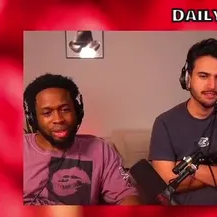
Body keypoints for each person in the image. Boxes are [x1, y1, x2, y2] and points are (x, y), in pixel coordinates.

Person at [147, 38, 217, 205]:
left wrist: (188, 168)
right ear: (187, 78)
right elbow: (168, 181)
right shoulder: (164, 122)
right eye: (203, 76)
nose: (212, 86)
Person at [22, 73, 140, 205]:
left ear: (78, 112)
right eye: (47, 113)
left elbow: (126, 196)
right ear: (33, 119)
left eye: (65, 109)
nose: (58, 119)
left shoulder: (100, 149)